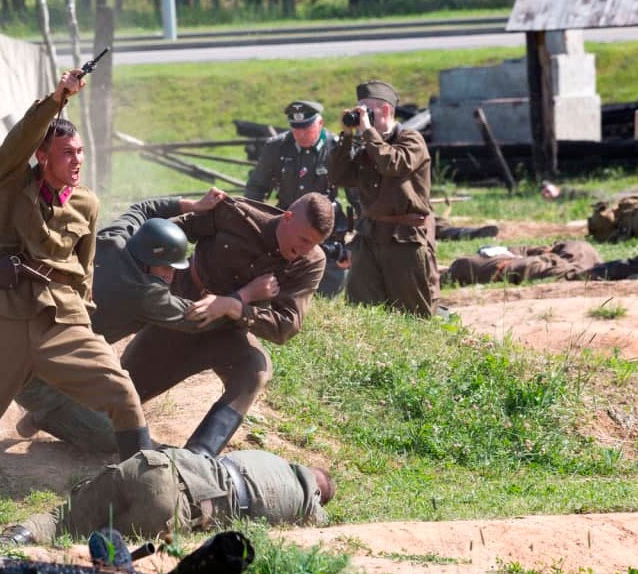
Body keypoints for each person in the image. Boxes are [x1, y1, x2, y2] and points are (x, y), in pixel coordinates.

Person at [0, 70, 149, 544]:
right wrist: (57, 100)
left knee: (123, 395)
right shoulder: (10, 182)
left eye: (81, 152)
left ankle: (142, 501)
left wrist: (82, 317)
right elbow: (18, 142)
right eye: (67, 153)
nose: (77, 160)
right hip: (2, 316)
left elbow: (84, 273)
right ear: (42, 156)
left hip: (61, 319)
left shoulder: (86, 203)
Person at [22, 193, 332, 458]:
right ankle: (48, 411)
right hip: (178, 312)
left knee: (255, 369)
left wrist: (238, 308)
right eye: (304, 239)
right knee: (120, 408)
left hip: (230, 331)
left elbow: (286, 326)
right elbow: (169, 237)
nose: (305, 249)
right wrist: (244, 295)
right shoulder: (233, 214)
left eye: (314, 244)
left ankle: (197, 459)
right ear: (288, 217)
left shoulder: (311, 262)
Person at [0, 447, 330, 545]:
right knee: (89, 544)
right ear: (317, 491)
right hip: (174, 510)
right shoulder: (306, 501)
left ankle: (12, 537)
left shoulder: (269, 460)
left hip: (152, 465)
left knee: (64, 521)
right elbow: (323, 529)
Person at [327, 80, 439, 317]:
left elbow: (393, 164)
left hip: (404, 238)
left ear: (385, 110)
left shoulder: (411, 140)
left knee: (412, 311)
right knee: (361, 309)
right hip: (369, 235)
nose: (360, 116)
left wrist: (369, 133)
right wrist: (347, 136)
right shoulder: (367, 145)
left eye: (366, 111)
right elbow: (338, 175)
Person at [243, 100, 353, 297]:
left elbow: (357, 195)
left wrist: (355, 245)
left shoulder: (336, 148)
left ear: (320, 124)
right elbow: (256, 188)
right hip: (287, 225)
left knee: (327, 292)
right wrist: (253, 224)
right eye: (296, 129)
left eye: (307, 128)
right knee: (284, 290)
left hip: (325, 230)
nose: (301, 134)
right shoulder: (277, 147)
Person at [442, 241, 638, 286]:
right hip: (532, 263)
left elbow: (442, 280)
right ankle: (624, 268)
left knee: (574, 275)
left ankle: (624, 268)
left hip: (523, 267)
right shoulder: (468, 263)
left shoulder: (463, 264)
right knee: (576, 270)